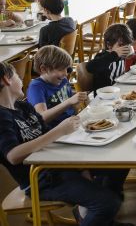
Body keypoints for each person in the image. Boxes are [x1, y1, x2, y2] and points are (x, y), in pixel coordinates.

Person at [0, 62, 128, 225]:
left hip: (57, 163)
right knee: (108, 202)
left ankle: (98, 217)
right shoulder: (2, 117)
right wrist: (59, 131)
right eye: (17, 76)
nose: (21, 79)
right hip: (41, 179)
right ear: (6, 80)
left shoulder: (22, 106)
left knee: (118, 164)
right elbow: (12, 156)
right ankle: (96, 211)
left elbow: (46, 134)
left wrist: (81, 167)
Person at [27, 46, 88, 127]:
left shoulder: (63, 80)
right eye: (60, 69)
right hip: (55, 131)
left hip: (73, 123)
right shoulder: (36, 87)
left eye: (66, 69)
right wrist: (69, 101)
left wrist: (80, 101)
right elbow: (42, 117)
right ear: (43, 69)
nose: (66, 73)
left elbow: (72, 107)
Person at [87, 24, 133, 90]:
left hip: (118, 91)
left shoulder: (122, 56)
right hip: (103, 96)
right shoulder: (103, 56)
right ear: (109, 45)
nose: (124, 48)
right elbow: (90, 67)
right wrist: (114, 54)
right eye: (121, 45)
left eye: (127, 44)